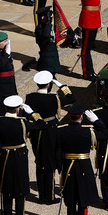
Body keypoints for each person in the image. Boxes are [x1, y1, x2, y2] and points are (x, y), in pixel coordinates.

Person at [0, 95, 46, 215]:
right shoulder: (23, 122)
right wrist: (33, 113)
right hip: (19, 159)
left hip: (5, 158)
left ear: (6, 108)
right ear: (18, 110)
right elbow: (42, 125)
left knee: (7, 192)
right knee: (20, 193)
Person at [56, 104, 108, 215]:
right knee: (82, 202)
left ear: (70, 116)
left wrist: (60, 167)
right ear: (81, 117)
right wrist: (96, 121)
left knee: (70, 203)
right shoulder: (88, 132)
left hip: (68, 167)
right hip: (83, 168)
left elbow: (56, 151)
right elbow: (106, 134)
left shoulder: (61, 131)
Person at [24, 71, 75, 204]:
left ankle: (42, 196)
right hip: (51, 131)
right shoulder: (54, 98)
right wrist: (62, 86)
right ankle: (50, 196)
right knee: (51, 161)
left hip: (37, 132)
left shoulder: (30, 97)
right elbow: (71, 98)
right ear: (48, 85)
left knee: (40, 161)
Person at [77, 0, 101, 81]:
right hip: (87, 21)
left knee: (89, 48)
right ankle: (87, 73)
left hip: (94, 20)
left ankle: (91, 71)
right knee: (85, 50)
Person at [0, 31, 18, 105]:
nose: (7, 44)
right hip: (2, 84)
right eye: (4, 42)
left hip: (9, 82)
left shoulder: (3, 52)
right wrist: (7, 53)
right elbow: (1, 64)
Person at [35, 6, 61, 75]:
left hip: (53, 57)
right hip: (46, 58)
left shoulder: (50, 26)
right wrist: (48, 23)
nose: (42, 18)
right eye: (41, 16)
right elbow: (46, 36)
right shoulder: (40, 28)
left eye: (44, 15)